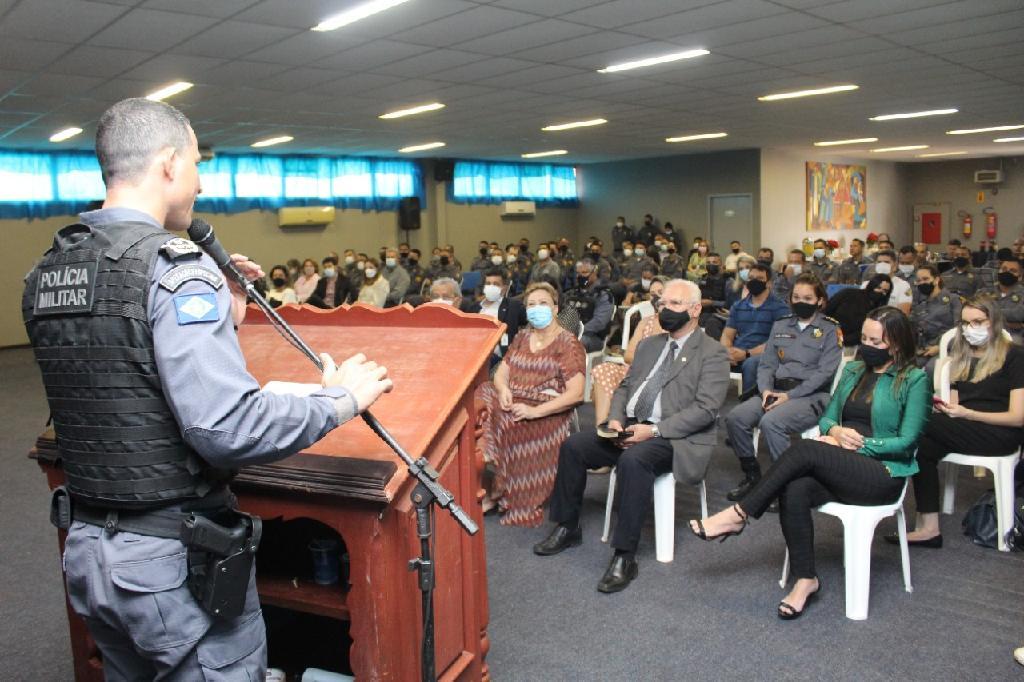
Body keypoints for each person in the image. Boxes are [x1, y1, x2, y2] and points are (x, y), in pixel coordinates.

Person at [20, 97, 393, 679]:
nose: (199, 181)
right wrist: (339, 399)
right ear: (169, 163)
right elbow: (226, 428)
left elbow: (120, 379)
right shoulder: (175, 268)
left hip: (88, 547)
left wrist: (225, 310)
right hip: (167, 563)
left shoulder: (49, 272)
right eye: (196, 163)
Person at [690, 307, 930, 619]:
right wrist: (836, 431)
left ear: (896, 344)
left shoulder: (914, 379)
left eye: (876, 341)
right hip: (843, 462)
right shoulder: (855, 371)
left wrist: (858, 443)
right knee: (796, 487)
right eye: (865, 338)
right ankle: (806, 579)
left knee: (805, 451)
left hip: (883, 472)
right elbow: (829, 417)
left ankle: (739, 514)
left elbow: (908, 442)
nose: (866, 345)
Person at [533, 279, 729, 594]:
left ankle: (625, 555)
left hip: (674, 437)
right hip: (633, 426)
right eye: (663, 304)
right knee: (574, 446)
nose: (666, 310)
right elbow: (625, 388)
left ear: (695, 309)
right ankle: (567, 526)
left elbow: (706, 411)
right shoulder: (650, 345)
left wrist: (652, 430)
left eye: (675, 305)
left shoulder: (712, 353)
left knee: (635, 461)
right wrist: (615, 418)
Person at [900, 298, 1024, 547]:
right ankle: (930, 528)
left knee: (919, 426)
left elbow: (1017, 417)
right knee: (923, 447)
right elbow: (955, 404)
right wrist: (946, 408)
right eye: (966, 323)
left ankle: (878, 477)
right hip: (965, 427)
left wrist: (968, 414)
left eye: (978, 322)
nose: (971, 328)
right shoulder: (961, 355)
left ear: (994, 322)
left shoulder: (1015, 356)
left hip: (1001, 431)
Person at [725, 274, 842, 501]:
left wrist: (789, 396)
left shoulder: (830, 329)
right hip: (775, 391)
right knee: (735, 418)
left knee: (772, 423)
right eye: (796, 297)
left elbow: (824, 374)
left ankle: (787, 487)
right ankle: (752, 477)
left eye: (808, 298)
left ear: (820, 301)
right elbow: (767, 363)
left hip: (810, 396)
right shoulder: (780, 324)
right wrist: (766, 390)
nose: (801, 302)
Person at [476, 282, 585, 525]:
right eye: (531, 305)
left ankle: (494, 488)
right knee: (482, 395)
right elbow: (501, 373)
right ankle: (488, 472)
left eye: (543, 304)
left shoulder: (568, 344)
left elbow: (576, 394)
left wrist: (534, 411)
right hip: (514, 397)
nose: (537, 309)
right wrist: (503, 390)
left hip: (547, 408)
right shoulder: (523, 337)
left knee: (502, 419)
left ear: (555, 309)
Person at [591, 280, 666, 425]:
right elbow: (628, 356)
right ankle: (603, 428)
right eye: (652, 294)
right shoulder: (646, 322)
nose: (656, 298)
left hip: (659, 374)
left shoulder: (676, 324)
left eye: (660, 293)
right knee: (603, 369)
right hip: (635, 370)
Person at [720, 263, 790, 392]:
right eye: (751, 278)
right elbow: (727, 334)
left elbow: (778, 342)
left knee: (751, 364)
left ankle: (748, 405)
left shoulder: (781, 308)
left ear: (769, 283)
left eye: (759, 278)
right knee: (708, 357)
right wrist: (727, 351)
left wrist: (747, 354)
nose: (754, 281)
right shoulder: (738, 306)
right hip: (737, 352)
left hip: (763, 355)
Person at [467, 268, 525, 365]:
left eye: (496, 284)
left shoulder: (513, 306)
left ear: (504, 288)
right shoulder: (474, 308)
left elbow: (531, 323)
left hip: (498, 358)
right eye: (488, 283)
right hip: (474, 356)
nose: (491, 287)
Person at [910, 264, 960, 366]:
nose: (922, 283)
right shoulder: (920, 304)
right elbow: (912, 326)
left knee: (932, 369)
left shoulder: (953, 300)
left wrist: (940, 346)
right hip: (924, 348)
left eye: (925, 279)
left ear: (936, 280)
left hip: (948, 347)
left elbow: (959, 328)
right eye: (919, 281)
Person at [827, 274, 892, 349]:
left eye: (885, 291)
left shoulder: (880, 311)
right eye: (878, 287)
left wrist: (840, 340)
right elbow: (825, 312)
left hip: (851, 345)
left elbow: (864, 334)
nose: (880, 292)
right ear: (872, 285)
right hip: (828, 336)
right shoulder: (847, 293)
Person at [565, 258, 615, 353]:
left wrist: (576, 332)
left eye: (584, 273)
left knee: (572, 342)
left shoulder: (603, 295)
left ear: (594, 272)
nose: (580, 276)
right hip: (568, 333)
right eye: (578, 273)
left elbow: (599, 322)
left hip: (592, 337)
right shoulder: (571, 293)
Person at [979, 256, 1024, 341]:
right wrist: (1012, 323)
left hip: (1014, 337)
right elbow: (976, 311)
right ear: (998, 271)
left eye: (1013, 271)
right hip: (984, 335)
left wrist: (989, 312)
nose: (1007, 272)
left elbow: (1019, 314)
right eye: (1004, 269)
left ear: (1020, 275)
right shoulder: (984, 292)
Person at [862, 249, 912, 314]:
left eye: (886, 262)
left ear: (895, 265)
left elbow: (904, 313)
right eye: (879, 262)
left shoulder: (903, 285)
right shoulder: (866, 284)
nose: (882, 265)